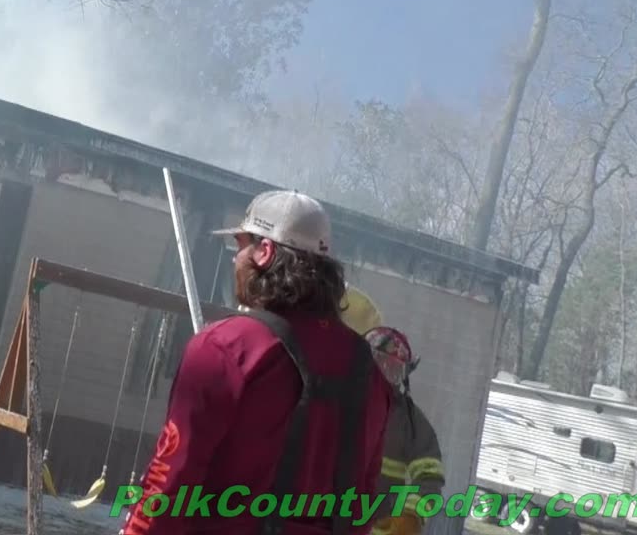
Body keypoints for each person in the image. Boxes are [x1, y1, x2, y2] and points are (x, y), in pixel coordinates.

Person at [119, 190, 394, 535]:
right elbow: (362, 503)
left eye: (241, 245)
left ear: (265, 252)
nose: (236, 259)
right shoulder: (370, 375)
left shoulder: (225, 348)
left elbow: (170, 479)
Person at [358, 327, 444, 535]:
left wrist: (409, 516)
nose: (381, 375)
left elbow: (429, 479)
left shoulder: (411, 423)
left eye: (392, 369)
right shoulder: (333, 401)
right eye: (376, 364)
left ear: (404, 375)